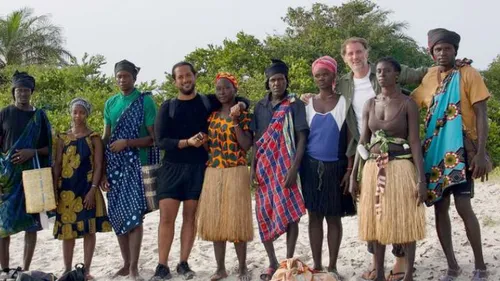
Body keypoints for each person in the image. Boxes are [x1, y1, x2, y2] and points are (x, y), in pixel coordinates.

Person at [302, 37, 429, 281]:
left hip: (398, 156)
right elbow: (351, 126)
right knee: (374, 215)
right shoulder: (346, 85)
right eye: (350, 53)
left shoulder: (391, 82)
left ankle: (402, 263)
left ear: (366, 53)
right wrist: (354, 170)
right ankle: (377, 267)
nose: (355, 57)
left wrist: (445, 64)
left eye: (359, 52)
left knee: (400, 213)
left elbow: (418, 74)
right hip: (368, 156)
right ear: (344, 58)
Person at [152, 62, 248, 280]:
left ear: (195, 77)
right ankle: (161, 265)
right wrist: (187, 142)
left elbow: (238, 99)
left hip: (198, 168)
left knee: (190, 217)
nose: (185, 80)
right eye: (180, 77)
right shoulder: (168, 106)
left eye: (188, 75)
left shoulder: (208, 101)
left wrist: (241, 105)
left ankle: (183, 263)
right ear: (174, 81)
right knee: (166, 217)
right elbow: (160, 141)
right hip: (171, 168)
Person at [411, 28, 490, 281]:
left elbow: (481, 114)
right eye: (437, 49)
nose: (442, 53)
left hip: (462, 153)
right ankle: (452, 266)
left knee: (464, 207)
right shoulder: (429, 78)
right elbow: (409, 105)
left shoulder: (469, 74)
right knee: (440, 209)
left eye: (447, 48)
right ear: (431, 53)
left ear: (455, 50)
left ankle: (480, 265)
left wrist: (480, 153)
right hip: (434, 155)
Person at [350, 57, 427, 281]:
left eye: (387, 71)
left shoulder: (407, 103)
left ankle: (408, 274)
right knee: (376, 221)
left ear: (397, 75)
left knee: (406, 219)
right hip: (373, 168)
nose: (382, 74)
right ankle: (380, 274)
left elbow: (414, 142)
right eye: (379, 71)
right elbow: (362, 141)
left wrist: (421, 180)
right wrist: (355, 176)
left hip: (401, 167)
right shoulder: (370, 104)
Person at [250, 59, 308, 281]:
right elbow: (257, 140)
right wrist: (252, 168)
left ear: (286, 81)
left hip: (286, 164)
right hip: (264, 166)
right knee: (263, 211)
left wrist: (294, 168)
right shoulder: (260, 106)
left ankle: (288, 260)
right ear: (267, 83)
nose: (277, 83)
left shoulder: (295, 104)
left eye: (281, 79)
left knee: (291, 212)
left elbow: (303, 137)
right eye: (273, 80)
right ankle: (272, 261)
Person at [100, 60, 157, 280]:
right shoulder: (110, 103)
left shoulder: (146, 102)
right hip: (114, 165)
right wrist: (102, 171)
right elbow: (106, 138)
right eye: (119, 76)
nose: (122, 80)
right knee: (116, 215)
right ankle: (125, 263)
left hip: (136, 164)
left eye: (126, 76)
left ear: (134, 78)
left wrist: (127, 142)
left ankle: (134, 267)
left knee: (134, 217)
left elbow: (153, 138)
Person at [301, 56, 356, 279]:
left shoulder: (345, 102)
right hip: (311, 168)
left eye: (326, 74)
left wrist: (350, 170)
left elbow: (352, 136)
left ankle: (332, 266)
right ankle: (317, 264)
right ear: (314, 78)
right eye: (317, 75)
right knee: (314, 216)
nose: (322, 78)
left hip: (337, 167)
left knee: (333, 217)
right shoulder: (307, 103)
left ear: (334, 76)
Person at [196, 73, 253, 281]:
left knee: (237, 222)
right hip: (214, 171)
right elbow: (210, 147)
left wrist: (236, 120)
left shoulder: (244, 114)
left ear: (234, 90)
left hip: (236, 170)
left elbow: (246, 145)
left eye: (226, 88)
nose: (222, 92)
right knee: (216, 223)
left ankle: (243, 267)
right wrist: (202, 141)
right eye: (219, 89)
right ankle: (220, 268)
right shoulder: (211, 116)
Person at [52, 98, 111, 279]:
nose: (78, 116)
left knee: (89, 230)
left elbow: (99, 165)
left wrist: (93, 190)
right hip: (66, 189)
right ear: (71, 113)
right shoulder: (62, 138)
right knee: (67, 231)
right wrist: (54, 191)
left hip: (87, 188)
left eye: (82, 112)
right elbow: (57, 165)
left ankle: (86, 270)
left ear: (87, 114)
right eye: (75, 112)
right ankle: (68, 269)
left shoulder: (94, 138)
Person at [0, 71, 52, 274]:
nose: (22, 94)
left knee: (31, 225)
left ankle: (26, 269)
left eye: (26, 90)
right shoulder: (4, 114)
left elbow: (49, 148)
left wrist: (32, 152)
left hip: (32, 176)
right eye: (19, 90)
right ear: (13, 92)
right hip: (7, 177)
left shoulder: (40, 117)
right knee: (4, 225)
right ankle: (5, 270)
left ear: (31, 92)